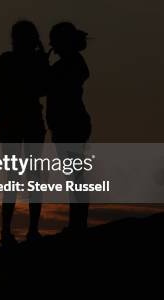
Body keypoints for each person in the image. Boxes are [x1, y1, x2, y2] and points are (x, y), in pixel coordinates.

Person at [0, 20, 48, 246]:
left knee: (14, 178)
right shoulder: (32, 61)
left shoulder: (8, 60)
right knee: (31, 178)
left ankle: (8, 232)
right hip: (28, 122)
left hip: (12, 123)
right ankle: (29, 231)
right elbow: (44, 88)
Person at [47, 22, 92, 231]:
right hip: (71, 123)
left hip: (70, 123)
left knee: (75, 176)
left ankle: (78, 224)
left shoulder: (69, 65)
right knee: (74, 175)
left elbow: (49, 84)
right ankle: (77, 222)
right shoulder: (72, 63)